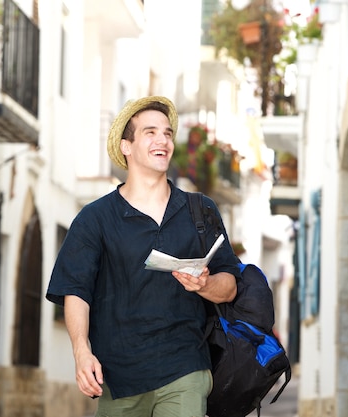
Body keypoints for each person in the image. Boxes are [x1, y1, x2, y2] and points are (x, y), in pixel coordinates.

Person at [46, 96, 241, 417]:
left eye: (167, 133)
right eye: (150, 132)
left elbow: (229, 286)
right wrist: (82, 353)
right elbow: (75, 292)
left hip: (185, 368)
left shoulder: (200, 210)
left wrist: (203, 285)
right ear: (127, 146)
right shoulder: (95, 218)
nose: (162, 140)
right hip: (118, 377)